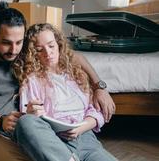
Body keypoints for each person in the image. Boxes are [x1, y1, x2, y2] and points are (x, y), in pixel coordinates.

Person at [0, 1, 115, 161]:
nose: (13, 49)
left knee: (29, 129)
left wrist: (99, 86)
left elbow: (69, 55)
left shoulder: (26, 58)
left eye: (19, 42)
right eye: (6, 42)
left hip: (13, 141)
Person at [12, 23, 118, 161]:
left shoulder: (76, 72)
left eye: (51, 46)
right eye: (39, 49)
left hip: (85, 138)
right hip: (54, 139)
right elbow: (30, 118)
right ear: (32, 53)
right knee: (25, 122)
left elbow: (97, 110)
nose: (47, 53)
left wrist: (81, 127)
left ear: (59, 44)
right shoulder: (31, 80)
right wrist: (32, 112)